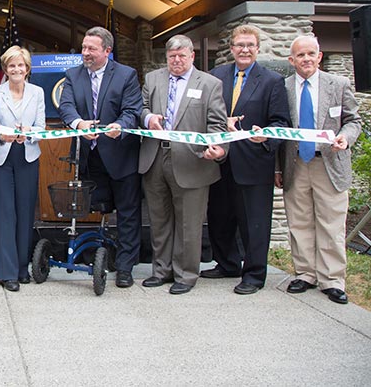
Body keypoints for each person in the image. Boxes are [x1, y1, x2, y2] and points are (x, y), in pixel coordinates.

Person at [138, 34, 228, 295]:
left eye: (182, 56)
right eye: (172, 56)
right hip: (155, 158)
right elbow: (140, 108)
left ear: (192, 56)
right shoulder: (153, 79)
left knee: (189, 223)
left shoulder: (210, 84)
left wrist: (218, 148)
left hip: (193, 161)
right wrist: (148, 118)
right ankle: (161, 270)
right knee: (159, 219)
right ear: (166, 57)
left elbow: (217, 124)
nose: (176, 60)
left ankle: (186, 274)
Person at [204, 25, 290, 295]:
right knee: (219, 217)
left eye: (250, 45)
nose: (244, 49)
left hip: (253, 162)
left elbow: (281, 122)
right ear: (231, 48)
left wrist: (264, 137)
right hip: (219, 160)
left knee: (254, 223)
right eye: (239, 45)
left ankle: (254, 274)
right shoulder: (216, 76)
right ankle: (227, 264)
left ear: (257, 48)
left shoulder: (272, 81)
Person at [276, 34, 361, 305]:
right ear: (292, 60)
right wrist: (277, 168)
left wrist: (345, 138)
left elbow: (353, 120)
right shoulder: (284, 87)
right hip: (296, 163)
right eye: (300, 55)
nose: (306, 59)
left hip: (329, 163)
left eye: (311, 54)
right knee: (299, 221)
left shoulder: (339, 84)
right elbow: (279, 127)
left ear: (319, 56)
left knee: (331, 222)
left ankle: (332, 279)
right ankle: (305, 273)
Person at [58, 26, 143, 288]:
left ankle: (126, 267)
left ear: (107, 50)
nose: (85, 53)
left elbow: (133, 110)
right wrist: (78, 124)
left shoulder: (126, 75)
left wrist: (119, 125)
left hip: (120, 155)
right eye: (84, 48)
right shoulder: (73, 75)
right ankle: (92, 256)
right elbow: (66, 107)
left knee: (127, 213)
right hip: (89, 156)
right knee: (93, 208)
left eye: (91, 49)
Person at [0, 46, 45, 292]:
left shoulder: (38, 92)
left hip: (28, 156)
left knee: (24, 213)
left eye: (20, 65)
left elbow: (41, 127)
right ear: (5, 69)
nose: (16, 69)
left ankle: (22, 268)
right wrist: (4, 136)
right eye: (11, 65)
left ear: (27, 68)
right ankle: (6, 272)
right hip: (1, 157)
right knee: (4, 214)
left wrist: (28, 134)